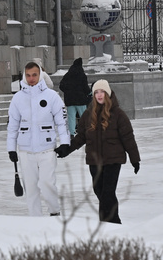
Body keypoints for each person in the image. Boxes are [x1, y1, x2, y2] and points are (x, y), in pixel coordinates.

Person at [56, 79, 140, 224]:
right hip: (94, 160)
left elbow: (128, 138)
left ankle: (111, 222)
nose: (99, 95)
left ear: (107, 93)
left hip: (113, 160)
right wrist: (66, 149)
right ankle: (110, 221)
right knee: (99, 191)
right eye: (96, 92)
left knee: (108, 192)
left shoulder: (118, 114)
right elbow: (81, 137)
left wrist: (134, 159)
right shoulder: (88, 114)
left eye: (102, 92)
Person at [7, 60, 69, 217]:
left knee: (48, 183)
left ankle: (54, 211)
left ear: (40, 75)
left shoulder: (52, 96)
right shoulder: (18, 98)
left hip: (47, 149)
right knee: (30, 186)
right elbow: (12, 126)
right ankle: (35, 218)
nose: (31, 78)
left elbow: (62, 122)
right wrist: (11, 149)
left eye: (34, 74)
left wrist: (65, 143)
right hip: (26, 150)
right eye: (28, 75)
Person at [58, 58, 90, 137]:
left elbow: (61, 86)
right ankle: (85, 131)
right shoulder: (82, 75)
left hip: (70, 100)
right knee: (83, 116)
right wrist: (89, 93)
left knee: (71, 117)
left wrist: (67, 91)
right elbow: (85, 87)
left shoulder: (67, 75)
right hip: (81, 100)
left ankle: (72, 133)